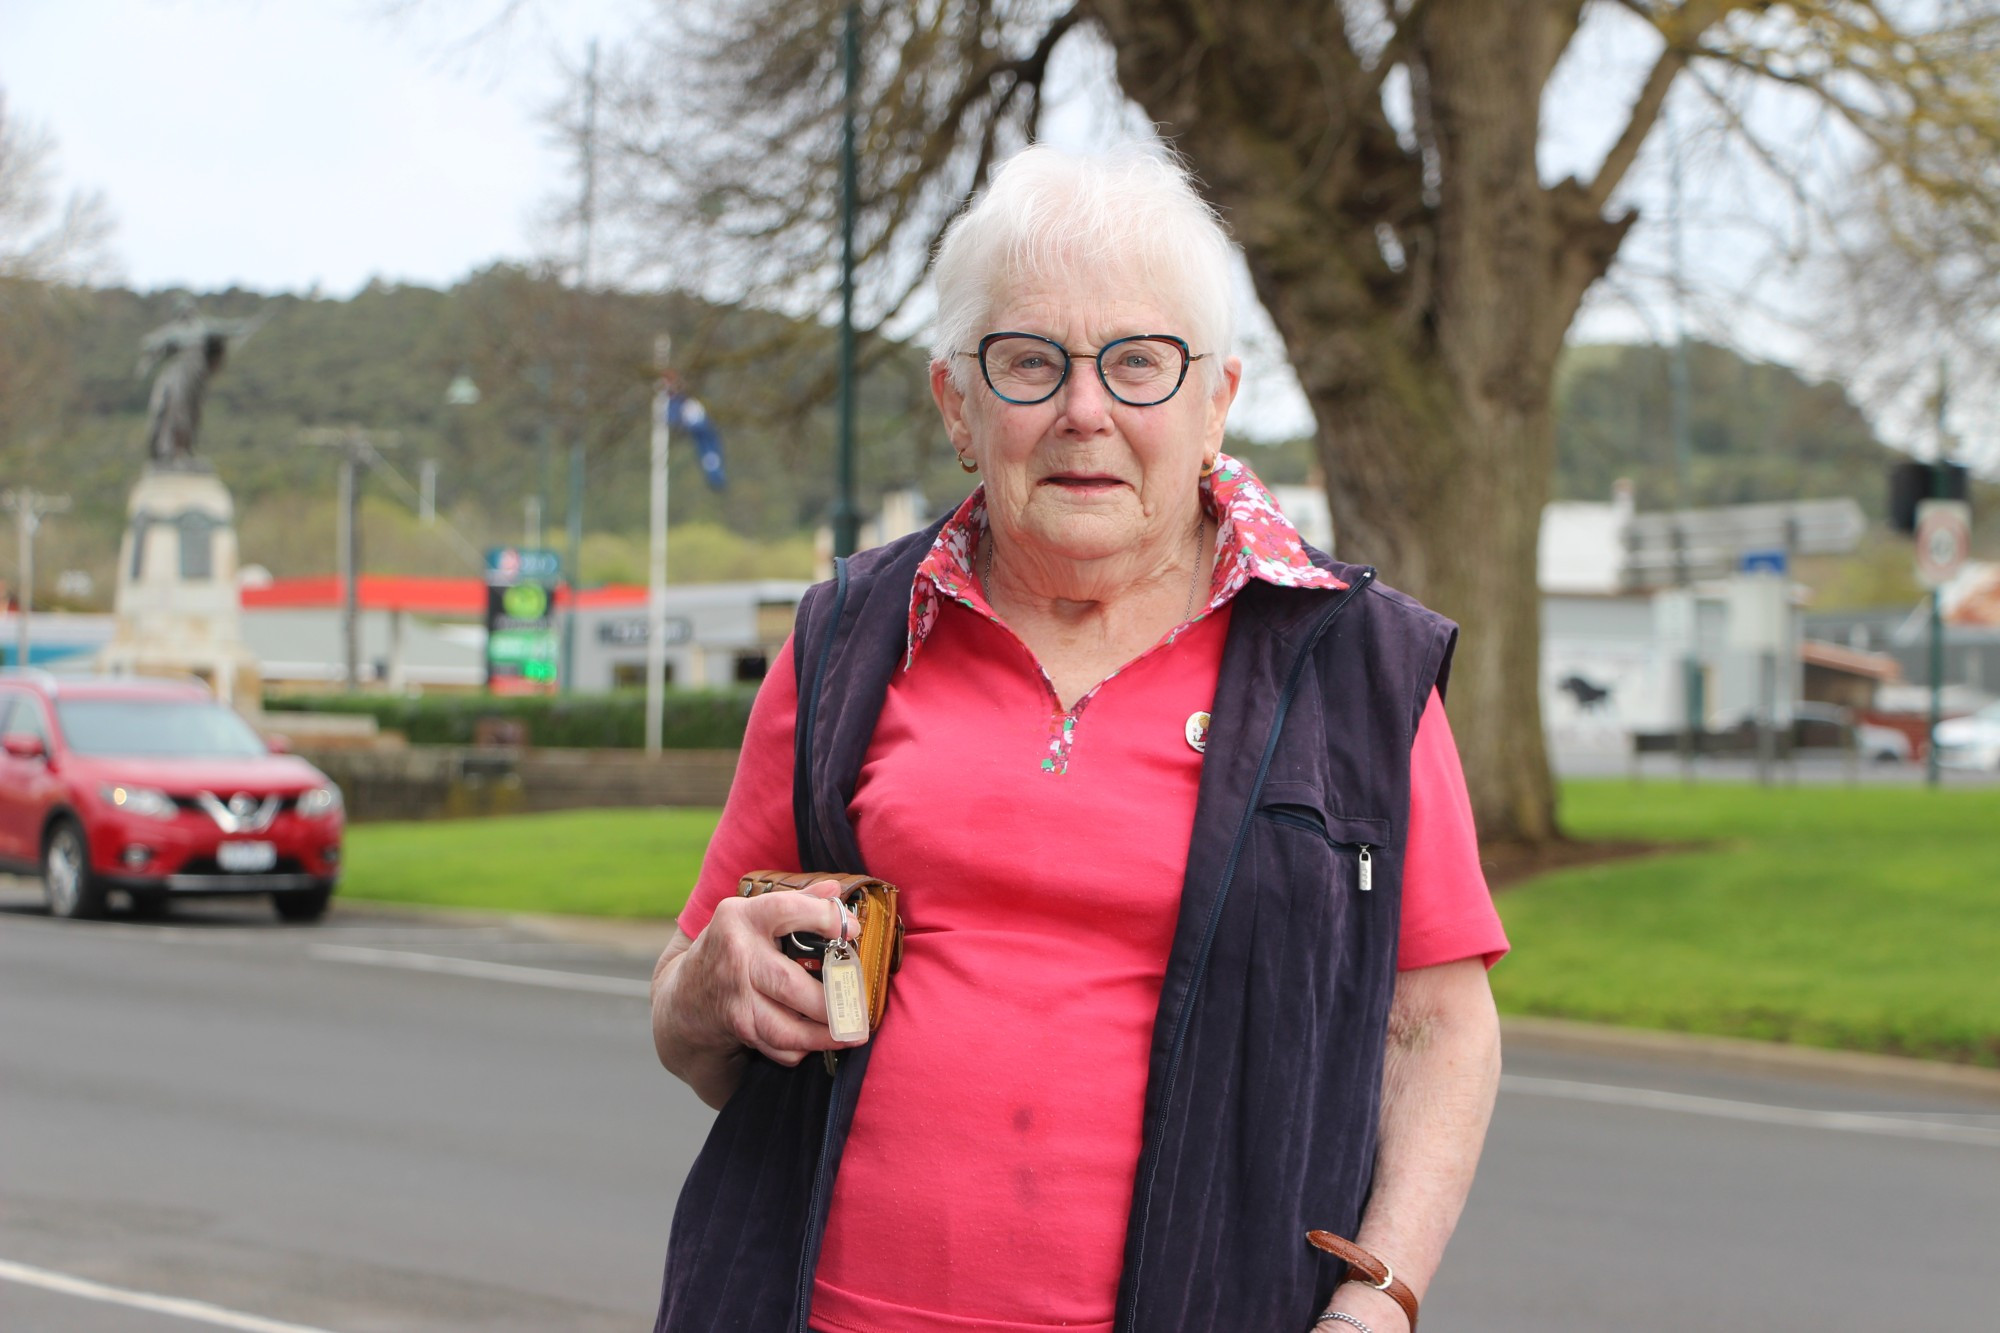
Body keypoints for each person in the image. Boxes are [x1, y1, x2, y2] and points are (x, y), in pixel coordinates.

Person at [648, 145, 1507, 1333]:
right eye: (1029, 362)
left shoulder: (1353, 665)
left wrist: (1379, 1302)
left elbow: (1437, 1027)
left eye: (1138, 363)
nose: (1083, 411)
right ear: (957, 401)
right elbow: (689, 1011)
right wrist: (711, 984)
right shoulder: (850, 633)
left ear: (1216, 403)